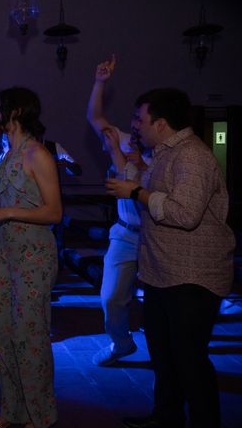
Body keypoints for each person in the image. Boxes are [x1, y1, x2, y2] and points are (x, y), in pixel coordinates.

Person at [106, 88, 235, 428]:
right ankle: (167, 417)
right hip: (164, 272)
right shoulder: (164, 153)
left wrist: (136, 191)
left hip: (192, 277)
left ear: (161, 123)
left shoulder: (192, 156)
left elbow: (186, 213)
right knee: (164, 356)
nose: (135, 125)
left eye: (140, 119)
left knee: (189, 361)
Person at [0, 87, 62, 428]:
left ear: (16, 112)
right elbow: (4, 193)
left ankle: (40, 416)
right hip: (8, 253)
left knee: (30, 337)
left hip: (34, 254)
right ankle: (13, 410)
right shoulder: (11, 153)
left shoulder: (38, 155)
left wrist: (4, 212)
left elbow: (54, 213)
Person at [87, 54, 149, 366]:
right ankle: (121, 343)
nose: (134, 124)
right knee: (111, 297)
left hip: (157, 237)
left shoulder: (167, 156)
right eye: (135, 120)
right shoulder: (124, 142)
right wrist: (100, 81)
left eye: (141, 119)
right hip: (125, 234)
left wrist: (120, 156)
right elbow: (96, 117)